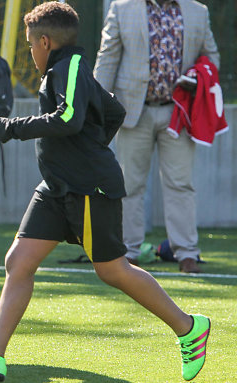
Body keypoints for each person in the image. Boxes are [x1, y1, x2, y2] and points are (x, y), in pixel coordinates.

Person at [0, 2, 210, 383]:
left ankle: (188, 327)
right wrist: (89, 146)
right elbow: (112, 111)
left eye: (31, 44)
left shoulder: (71, 66)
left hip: (89, 187)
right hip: (56, 187)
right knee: (19, 261)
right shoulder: (64, 70)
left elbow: (68, 118)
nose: (30, 52)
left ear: (45, 41)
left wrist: (11, 127)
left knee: (112, 270)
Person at [93, 0, 220, 273]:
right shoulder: (122, 8)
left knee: (180, 184)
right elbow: (107, 59)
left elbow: (212, 57)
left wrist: (198, 79)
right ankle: (128, 252)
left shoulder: (198, 11)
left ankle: (187, 254)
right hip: (132, 112)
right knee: (129, 185)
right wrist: (96, 106)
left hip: (179, 114)